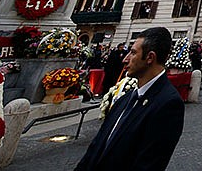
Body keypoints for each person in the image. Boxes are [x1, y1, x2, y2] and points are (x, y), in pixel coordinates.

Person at [75, 27, 184, 171]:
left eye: (132, 53)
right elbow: (96, 147)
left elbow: (148, 165)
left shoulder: (169, 104)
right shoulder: (124, 98)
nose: (125, 59)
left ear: (150, 57)